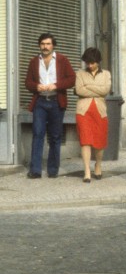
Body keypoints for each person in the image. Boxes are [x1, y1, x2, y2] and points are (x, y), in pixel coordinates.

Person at [25, 32, 76, 179]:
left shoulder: (62, 60)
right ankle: (35, 170)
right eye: (42, 44)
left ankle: (53, 170)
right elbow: (28, 83)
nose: (45, 47)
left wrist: (56, 85)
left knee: (55, 136)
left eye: (48, 44)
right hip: (40, 102)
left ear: (53, 45)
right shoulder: (34, 61)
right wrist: (36, 87)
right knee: (38, 134)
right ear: (39, 45)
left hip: (56, 102)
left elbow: (72, 79)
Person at [74, 47, 110, 183]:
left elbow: (106, 90)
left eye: (92, 63)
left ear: (98, 61)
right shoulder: (80, 73)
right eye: (87, 63)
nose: (89, 65)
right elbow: (79, 90)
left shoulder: (106, 74)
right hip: (83, 112)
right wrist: (97, 90)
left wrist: (88, 87)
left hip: (100, 111)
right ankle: (87, 171)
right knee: (85, 141)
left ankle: (98, 165)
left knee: (100, 142)